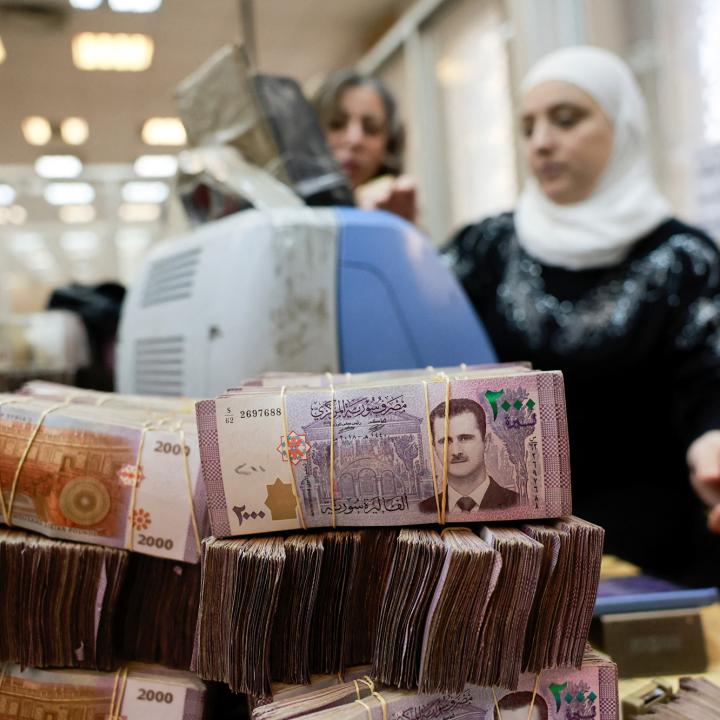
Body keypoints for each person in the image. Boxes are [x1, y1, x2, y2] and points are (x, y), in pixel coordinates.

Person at [443, 45, 720, 586]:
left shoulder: (684, 258)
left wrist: (713, 442)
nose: (542, 142)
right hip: (510, 553)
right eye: (527, 128)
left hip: (651, 558)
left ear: (622, 127)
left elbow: (708, 381)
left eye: (566, 119)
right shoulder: (486, 249)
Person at [314, 69, 417, 224]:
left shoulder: (398, 219)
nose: (354, 140)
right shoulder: (284, 213)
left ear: (389, 144)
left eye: (371, 128)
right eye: (336, 124)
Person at [419, 397, 519, 513]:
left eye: (465, 438)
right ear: (434, 448)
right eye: (446, 441)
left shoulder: (518, 503)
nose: (456, 451)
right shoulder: (424, 510)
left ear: (486, 442)